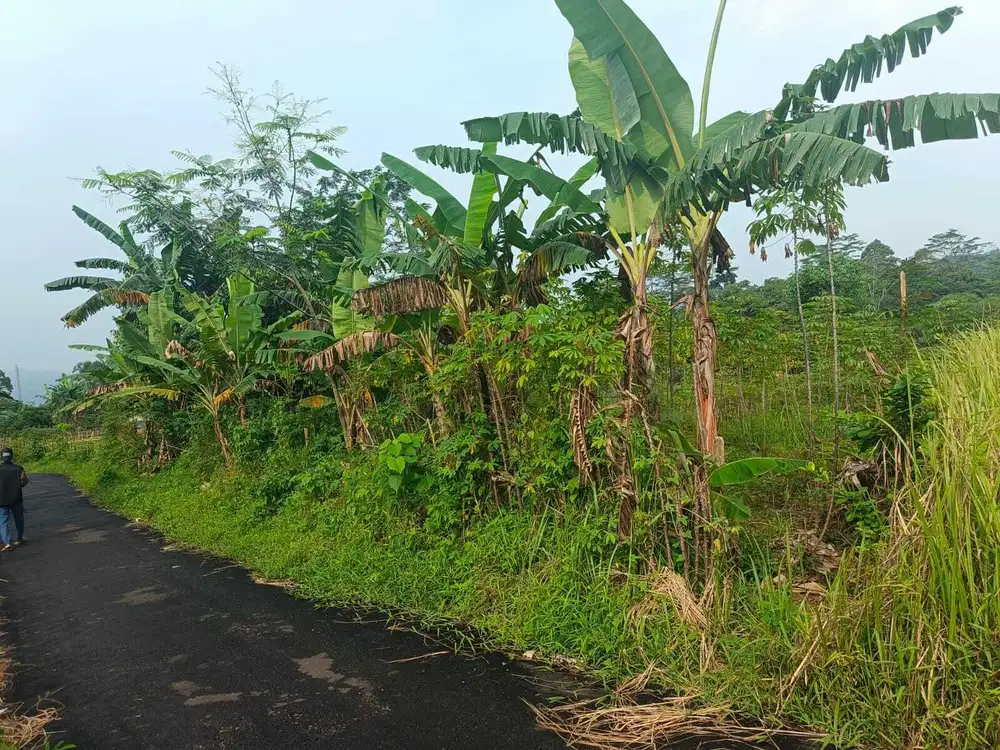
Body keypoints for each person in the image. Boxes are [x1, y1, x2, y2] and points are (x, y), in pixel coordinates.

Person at [0, 447, 28, 551]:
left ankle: (6, 543)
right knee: (18, 518)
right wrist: (18, 486)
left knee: (3, 521)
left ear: (1, 457)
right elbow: (24, 481)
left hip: (2, 499)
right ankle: (19, 538)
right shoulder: (19, 468)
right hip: (16, 497)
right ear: (11, 456)